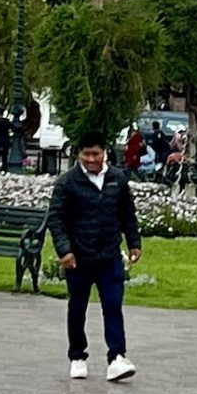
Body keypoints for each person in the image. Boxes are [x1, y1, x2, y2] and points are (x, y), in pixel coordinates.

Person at [47, 131, 141, 381]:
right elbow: (56, 218)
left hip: (109, 255)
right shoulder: (67, 182)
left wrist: (134, 242)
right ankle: (77, 356)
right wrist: (64, 250)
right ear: (78, 154)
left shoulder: (117, 180)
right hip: (79, 257)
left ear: (104, 153)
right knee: (77, 307)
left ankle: (117, 357)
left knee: (113, 306)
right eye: (86, 154)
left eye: (95, 154)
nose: (91, 159)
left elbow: (127, 214)